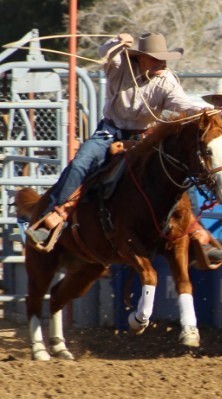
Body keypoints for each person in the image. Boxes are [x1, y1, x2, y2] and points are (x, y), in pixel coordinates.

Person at [28, 33, 210, 245]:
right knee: (80, 164)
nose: (162, 62)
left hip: (145, 137)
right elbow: (104, 53)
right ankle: (52, 217)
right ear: (140, 58)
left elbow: (183, 105)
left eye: (164, 57)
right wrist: (117, 42)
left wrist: (206, 111)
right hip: (109, 132)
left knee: (179, 168)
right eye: (155, 57)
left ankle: (196, 231)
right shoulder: (120, 65)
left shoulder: (166, 81)